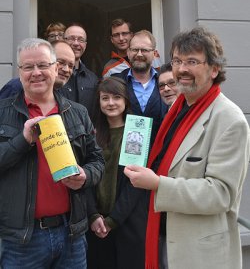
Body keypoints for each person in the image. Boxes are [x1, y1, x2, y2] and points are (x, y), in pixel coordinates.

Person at [124, 26, 250, 269]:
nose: (181, 69)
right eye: (177, 60)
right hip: (162, 237)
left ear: (214, 69)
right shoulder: (177, 107)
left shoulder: (230, 120)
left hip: (198, 252)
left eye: (192, 61)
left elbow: (220, 194)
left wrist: (158, 184)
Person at [0, 38, 104, 268]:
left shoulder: (77, 112)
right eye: (28, 67)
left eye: (43, 65)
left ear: (56, 68)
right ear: (19, 72)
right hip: (21, 240)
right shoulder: (2, 112)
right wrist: (23, 140)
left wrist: (85, 176)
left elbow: (97, 160)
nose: (36, 72)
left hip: (71, 235)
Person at [87, 77, 148, 269]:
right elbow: (86, 179)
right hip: (96, 224)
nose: (111, 103)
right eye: (105, 98)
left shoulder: (137, 129)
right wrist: (94, 215)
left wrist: (113, 220)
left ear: (126, 100)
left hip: (127, 223)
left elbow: (135, 183)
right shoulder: (91, 133)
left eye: (116, 97)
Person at [113, 30, 167, 144]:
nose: (139, 54)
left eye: (145, 50)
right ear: (128, 52)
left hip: (160, 155)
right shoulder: (115, 81)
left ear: (154, 54)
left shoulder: (166, 83)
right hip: (122, 157)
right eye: (135, 50)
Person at [0, 40, 75, 98]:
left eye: (71, 66)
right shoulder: (16, 88)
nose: (66, 69)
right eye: (61, 62)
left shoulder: (66, 94)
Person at [62, 23, 98, 120]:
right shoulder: (53, 74)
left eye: (81, 40)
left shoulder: (93, 79)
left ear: (85, 45)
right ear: (63, 41)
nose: (76, 43)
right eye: (71, 38)